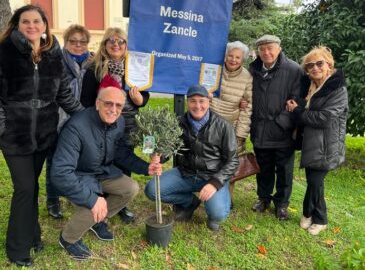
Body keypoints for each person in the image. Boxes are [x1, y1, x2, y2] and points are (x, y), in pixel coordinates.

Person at [0, 4, 83, 267]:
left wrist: (87, 116)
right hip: (15, 134)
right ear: (17, 25)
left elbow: (63, 95)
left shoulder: (53, 54)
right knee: (24, 188)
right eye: (26, 22)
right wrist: (3, 127)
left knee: (33, 187)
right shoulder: (4, 52)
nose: (32, 26)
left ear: (45, 25)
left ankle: (33, 235)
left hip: (44, 133)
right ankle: (17, 249)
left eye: (37, 21)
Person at [51, 86, 162, 260]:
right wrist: (92, 199)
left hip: (102, 172)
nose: (113, 109)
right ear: (97, 104)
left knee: (130, 187)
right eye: (108, 103)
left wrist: (145, 167)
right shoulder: (76, 127)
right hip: (79, 175)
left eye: (119, 105)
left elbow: (120, 152)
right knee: (94, 204)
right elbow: (60, 172)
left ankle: (97, 221)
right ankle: (68, 239)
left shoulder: (119, 122)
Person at [145, 84, 239, 232]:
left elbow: (233, 161)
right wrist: (159, 156)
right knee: (151, 190)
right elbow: (170, 148)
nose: (197, 105)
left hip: (212, 176)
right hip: (186, 172)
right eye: (193, 101)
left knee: (218, 213)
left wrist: (214, 183)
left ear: (208, 102)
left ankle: (215, 211)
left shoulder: (223, 125)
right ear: (187, 102)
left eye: (201, 101)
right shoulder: (178, 122)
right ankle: (189, 202)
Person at [81, 27, 150, 223]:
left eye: (121, 41)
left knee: (124, 160)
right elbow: (85, 100)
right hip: (101, 125)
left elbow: (145, 95)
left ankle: (121, 202)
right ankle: (99, 199)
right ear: (105, 44)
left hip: (128, 124)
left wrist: (140, 100)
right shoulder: (94, 68)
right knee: (101, 161)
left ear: (126, 45)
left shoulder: (135, 67)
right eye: (111, 40)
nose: (116, 44)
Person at [286, 46, 348, 235]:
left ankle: (316, 217)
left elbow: (323, 118)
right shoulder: (311, 86)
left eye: (319, 63)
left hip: (327, 145)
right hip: (312, 143)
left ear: (329, 64)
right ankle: (313, 216)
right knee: (314, 181)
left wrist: (297, 111)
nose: (315, 68)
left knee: (315, 181)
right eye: (310, 65)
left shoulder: (337, 89)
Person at [249, 34, 302, 220]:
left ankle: (282, 204)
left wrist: (282, 122)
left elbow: (297, 99)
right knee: (263, 168)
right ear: (258, 52)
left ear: (279, 48)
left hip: (282, 132)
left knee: (284, 170)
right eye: (262, 49)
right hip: (259, 129)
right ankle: (263, 198)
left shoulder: (294, 69)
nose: (266, 52)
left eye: (270, 48)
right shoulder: (253, 69)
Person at [46, 24, 93, 219]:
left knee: (78, 158)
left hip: (82, 118)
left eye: (82, 41)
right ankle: (53, 199)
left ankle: (75, 194)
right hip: (58, 117)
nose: (78, 45)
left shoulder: (92, 62)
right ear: (66, 42)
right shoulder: (57, 60)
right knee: (55, 159)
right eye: (73, 41)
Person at [209, 41, 252, 202]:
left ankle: (227, 198)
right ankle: (206, 193)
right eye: (230, 56)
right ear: (225, 56)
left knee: (230, 165)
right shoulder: (213, 70)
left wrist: (240, 134)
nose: (233, 60)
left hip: (231, 126)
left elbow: (248, 107)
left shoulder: (247, 77)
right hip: (210, 123)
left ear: (243, 60)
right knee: (208, 160)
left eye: (238, 57)